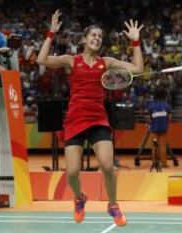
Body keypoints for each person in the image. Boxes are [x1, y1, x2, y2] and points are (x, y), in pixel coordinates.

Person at [36, 10, 144, 226]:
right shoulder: (71, 61)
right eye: (92, 36)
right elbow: (42, 59)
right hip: (75, 120)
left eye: (99, 37)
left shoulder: (107, 62)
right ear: (84, 39)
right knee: (73, 172)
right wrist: (51, 33)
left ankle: (112, 205)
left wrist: (135, 42)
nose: (96, 39)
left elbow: (138, 69)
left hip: (98, 119)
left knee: (107, 166)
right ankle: (79, 198)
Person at [148, 90, 171, 167]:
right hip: (164, 129)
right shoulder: (166, 105)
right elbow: (170, 118)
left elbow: (149, 118)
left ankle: (155, 163)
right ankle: (164, 164)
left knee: (154, 146)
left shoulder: (151, 106)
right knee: (163, 146)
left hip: (154, 129)